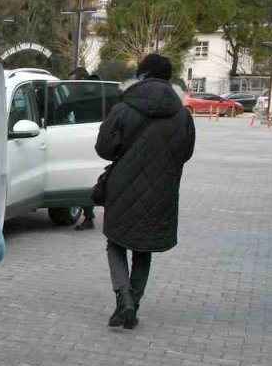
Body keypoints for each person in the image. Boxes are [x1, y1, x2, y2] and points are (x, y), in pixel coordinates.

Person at [95, 53, 195, 329]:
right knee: (144, 248)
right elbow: (185, 153)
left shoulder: (123, 107)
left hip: (122, 188)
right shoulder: (182, 115)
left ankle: (123, 297)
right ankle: (133, 304)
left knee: (115, 241)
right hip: (162, 190)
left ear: (142, 75)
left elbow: (104, 148)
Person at [67, 66, 97, 230]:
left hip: (92, 139)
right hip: (87, 137)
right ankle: (88, 215)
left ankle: (89, 216)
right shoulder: (94, 91)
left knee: (87, 179)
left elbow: (64, 109)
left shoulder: (84, 95)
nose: (71, 86)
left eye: (73, 83)